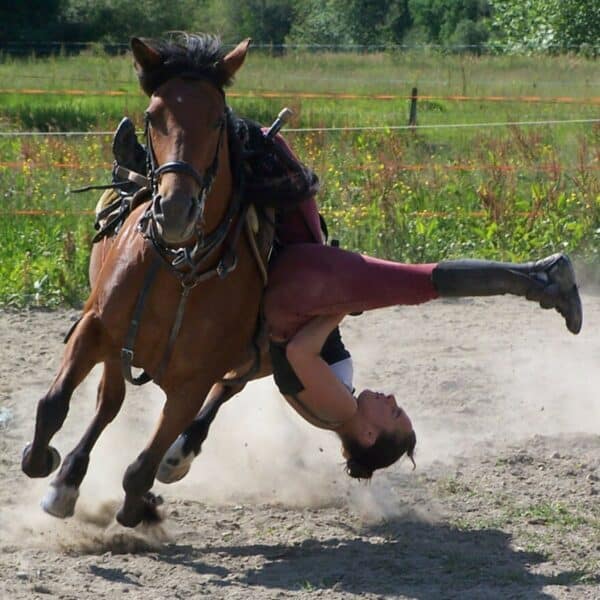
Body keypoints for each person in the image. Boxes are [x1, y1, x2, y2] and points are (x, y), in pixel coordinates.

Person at [109, 117, 583, 481]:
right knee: (268, 197)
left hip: (303, 294)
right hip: (291, 296)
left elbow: (297, 351)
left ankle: (539, 279)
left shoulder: (338, 409)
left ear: (370, 434)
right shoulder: (329, 411)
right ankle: (152, 172)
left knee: (415, 281)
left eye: (393, 412)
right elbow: (271, 364)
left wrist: (347, 304)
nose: (393, 400)